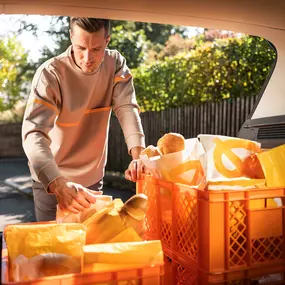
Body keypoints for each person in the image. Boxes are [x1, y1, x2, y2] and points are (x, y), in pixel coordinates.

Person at [22, 17, 146, 222]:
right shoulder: (50, 74)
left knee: (89, 246)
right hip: (52, 181)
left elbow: (127, 108)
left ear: (107, 40)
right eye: (80, 47)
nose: (87, 57)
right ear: (71, 37)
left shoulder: (115, 64)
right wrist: (57, 183)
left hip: (92, 180)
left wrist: (139, 154)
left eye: (96, 49)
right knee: (51, 247)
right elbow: (34, 134)